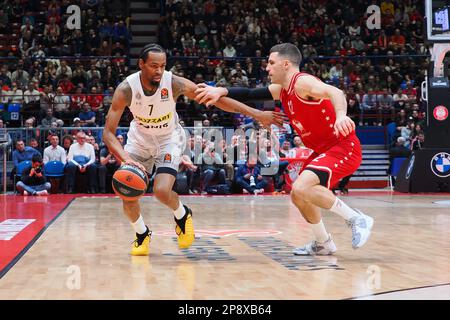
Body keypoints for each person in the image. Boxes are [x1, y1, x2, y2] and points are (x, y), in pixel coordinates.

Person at [102, 43, 284, 256]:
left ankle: (182, 214)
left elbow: (217, 100)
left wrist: (257, 114)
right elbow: (108, 133)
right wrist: (125, 159)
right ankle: (141, 234)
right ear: (141, 64)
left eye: (162, 66)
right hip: (139, 141)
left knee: (161, 191)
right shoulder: (126, 89)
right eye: (153, 66)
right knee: (128, 193)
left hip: (168, 139)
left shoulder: (173, 83)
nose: (159, 71)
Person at [195, 42, 374, 256]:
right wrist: (220, 90)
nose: (267, 68)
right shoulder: (282, 91)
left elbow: (334, 91)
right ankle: (323, 242)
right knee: (297, 195)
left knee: (301, 188)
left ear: (286, 64)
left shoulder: (302, 83)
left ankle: (356, 219)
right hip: (322, 150)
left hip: (342, 147)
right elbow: (250, 93)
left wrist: (342, 115)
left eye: (271, 63)